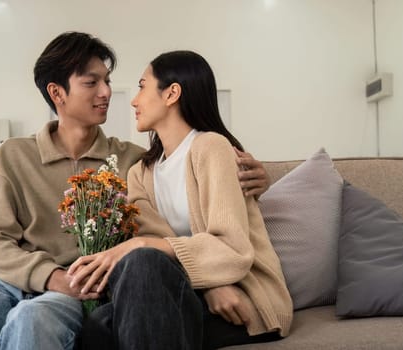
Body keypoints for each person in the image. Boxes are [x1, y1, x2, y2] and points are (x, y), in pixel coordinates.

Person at [0, 33, 271, 350]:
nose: (107, 92)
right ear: (57, 93)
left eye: (107, 80)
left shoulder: (132, 161)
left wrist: (257, 178)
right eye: (91, 82)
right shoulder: (12, 155)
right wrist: (50, 277)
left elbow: (165, 231)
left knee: (33, 327)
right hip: (1, 282)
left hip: (75, 290)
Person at [69, 51, 292, 350]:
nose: (134, 100)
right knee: (100, 322)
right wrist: (208, 282)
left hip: (243, 298)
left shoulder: (211, 147)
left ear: (172, 93)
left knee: (139, 262)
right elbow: (154, 247)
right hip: (189, 291)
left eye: (142, 86)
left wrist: (143, 245)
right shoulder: (140, 173)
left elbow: (232, 249)